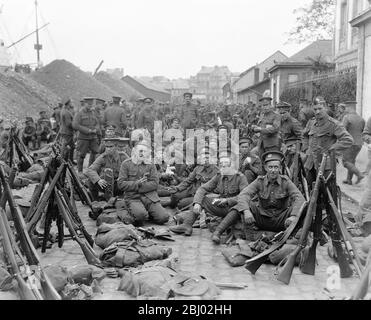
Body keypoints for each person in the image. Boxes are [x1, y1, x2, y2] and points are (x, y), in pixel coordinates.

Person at [170, 150, 248, 241]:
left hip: (235, 209)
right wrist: (197, 203)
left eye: (226, 163)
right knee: (201, 200)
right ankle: (187, 225)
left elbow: (244, 197)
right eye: (221, 163)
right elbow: (203, 188)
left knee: (237, 208)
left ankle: (217, 233)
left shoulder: (241, 178)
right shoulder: (219, 175)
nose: (222, 165)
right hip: (222, 206)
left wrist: (228, 200)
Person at [234, 151, 305, 232]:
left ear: (280, 168)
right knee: (243, 205)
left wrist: (293, 215)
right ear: (265, 168)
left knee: (305, 207)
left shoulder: (285, 181)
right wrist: (246, 211)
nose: (273, 170)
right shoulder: (259, 181)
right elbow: (244, 195)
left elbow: (300, 198)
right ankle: (250, 234)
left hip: (281, 221)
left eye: (276, 167)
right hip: (262, 220)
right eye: (270, 167)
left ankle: (297, 233)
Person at [302, 96, 354, 187]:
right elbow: (304, 136)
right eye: (315, 109)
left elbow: (348, 140)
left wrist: (332, 149)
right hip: (310, 163)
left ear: (325, 107)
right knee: (308, 188)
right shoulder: (311, 122)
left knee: (327, 191)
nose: (317, 111)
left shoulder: (334, 124)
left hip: (326, 164)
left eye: (320, 108)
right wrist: (306, 148)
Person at [117, 141, 169, 226]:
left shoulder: (150, 165)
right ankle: (129, 209)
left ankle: (148, 212)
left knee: (164, 218)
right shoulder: (126, 164)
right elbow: (121, 184)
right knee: (141, 217)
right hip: (133, 198)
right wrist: (137, 184)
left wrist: (140, 187)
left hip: (150, 197)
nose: (142, 154)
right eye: (140, 151)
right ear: (134, 151)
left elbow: (155, 183)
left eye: (145, 151)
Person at [168, 145, 219, 210]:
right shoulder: (198, 168)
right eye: (203, 158)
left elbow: (215, 191)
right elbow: (188, 181)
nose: (205, 160)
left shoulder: (217, 172)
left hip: (202, 195)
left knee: (181, 204)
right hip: (191, 190)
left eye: (207, 158)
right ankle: (169, 204)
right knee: (174, 195)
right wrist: (177, 188)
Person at [85, 131, 128, 201]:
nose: (108, 148)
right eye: (107, 147)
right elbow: (90, 170)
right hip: (106, 185)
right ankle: (96, 201)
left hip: (119, 184)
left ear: (116, 147)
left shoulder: (123, 156)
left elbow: (131, 167)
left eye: (111, 146)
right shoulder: (102, 157)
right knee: (91, 181)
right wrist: (98, 180)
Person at [72, 97, 101, 172]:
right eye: (89, 104)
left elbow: (97, 123)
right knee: (81, 155)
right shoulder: (79, 113)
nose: (90, 106)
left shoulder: (93, 112)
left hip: (93, 137)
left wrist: (96, 129)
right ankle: (80, 172)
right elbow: (75, 125)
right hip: (83, 138)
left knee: (95, 152)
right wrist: (87, 130)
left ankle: (91, 170)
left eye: (91, 104)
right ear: (85, 104)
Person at [341, 101, 366, 185]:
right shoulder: (361, 118)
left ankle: (359, 174)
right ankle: (349, 180)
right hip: (359, 144)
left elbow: (342, 131)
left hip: (349, 143)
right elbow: (363, 130)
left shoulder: (347, 117)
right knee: (351, 161)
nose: (345, 109)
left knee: (345, 162)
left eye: (346, 108)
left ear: (349, 107)